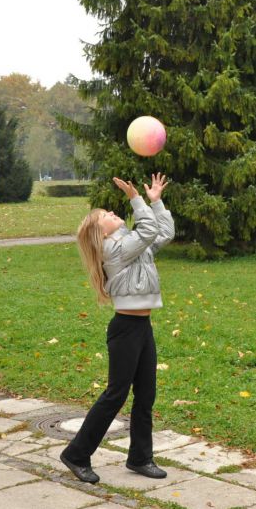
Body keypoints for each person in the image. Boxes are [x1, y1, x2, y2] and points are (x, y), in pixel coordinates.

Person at [60, 173, 174, 484]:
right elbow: (148, 229)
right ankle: (76, 454)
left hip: (142, 326)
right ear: (100, 232)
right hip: (125, 329)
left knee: (146, 394)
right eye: (106, 216)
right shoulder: (113, 248)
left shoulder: (130, 244)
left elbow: (163, 232)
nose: (113, 214)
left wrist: (156, 201)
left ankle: (140, 458)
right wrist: (135, 197)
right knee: (115, 394)